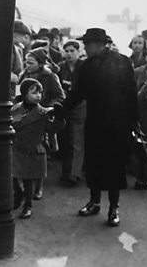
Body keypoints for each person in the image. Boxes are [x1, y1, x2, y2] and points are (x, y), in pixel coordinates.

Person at [63, 28, 138, 227]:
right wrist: (61, 108)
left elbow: (131, 93)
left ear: (99, 44)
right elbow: (77, 93)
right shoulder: (87, 65)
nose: (85, 47)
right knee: (94, 164)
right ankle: (95, 202)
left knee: (114, 166)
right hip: (96, 123)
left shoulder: (122, 61)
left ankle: (114, 208)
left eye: (87, 44)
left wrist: (134, 122)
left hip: (117, 124)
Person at [12, 79, 65, 218]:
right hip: (17, 149)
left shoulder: (44, 113)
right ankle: (19, 194)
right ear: (24, 93)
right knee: (14, 177)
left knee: (29, 182)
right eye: (34, 92)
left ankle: (28, 205)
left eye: (40, 92)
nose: (38, 95)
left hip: (33, 150)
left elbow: (53, 128)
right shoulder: (15, 109)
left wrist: (60, 118)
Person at [57, 40, 85, 186]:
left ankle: (74, 174)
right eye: (66, 51)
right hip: (65, 105)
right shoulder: (61, 68)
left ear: (78, 52)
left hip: (80, 105)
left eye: (72, 51)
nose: (68, 54)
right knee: (66, 139)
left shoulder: (84, 67)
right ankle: (66, 171)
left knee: (77, 139)